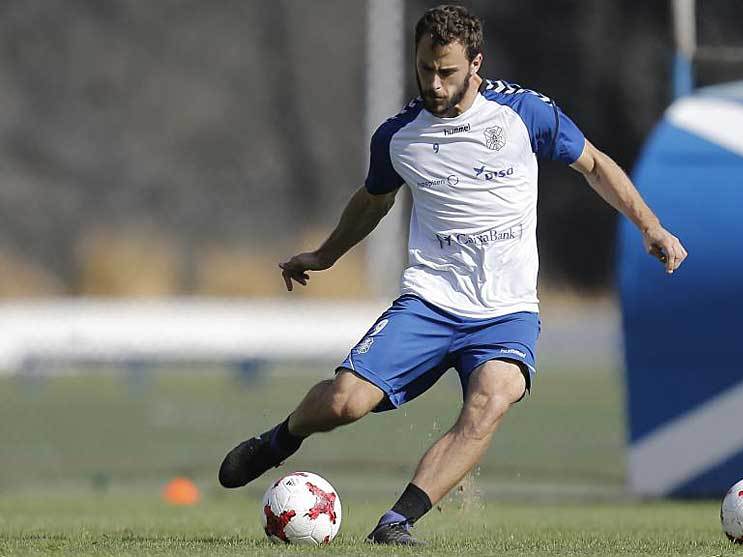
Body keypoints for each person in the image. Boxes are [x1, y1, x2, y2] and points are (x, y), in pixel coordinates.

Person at [218, 4, 687, 546]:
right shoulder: (399, 136)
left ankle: (397, 521)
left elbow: (597, 166)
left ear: (476, 64)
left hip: (507, 311)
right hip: (430, 301)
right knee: (346, 403)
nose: (434, 84)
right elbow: (372, 201)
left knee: (493, 398)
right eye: (424, 70)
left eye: (447, 72)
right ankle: (282, 439)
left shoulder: (524, 115)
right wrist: (325, 256)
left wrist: (649, 226)